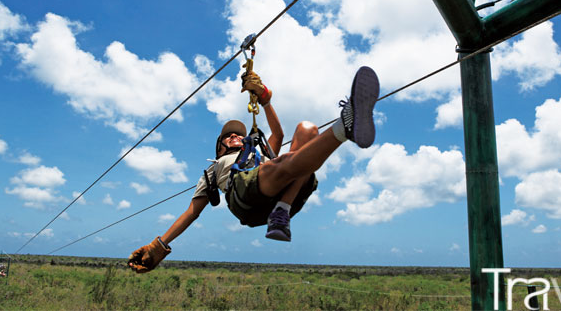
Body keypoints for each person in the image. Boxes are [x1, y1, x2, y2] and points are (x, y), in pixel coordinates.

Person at [128, 66, 379, 273]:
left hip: (281, 193)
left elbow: (278, 134)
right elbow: (192, 212)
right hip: (245, 198)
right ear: (220, 148)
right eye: (228, 137)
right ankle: (345, 127)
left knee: (307, 130)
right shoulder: (214, 170)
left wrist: (265, 98)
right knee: (279, 165)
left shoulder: (259, 153)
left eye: (238, 134)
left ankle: (282, 212)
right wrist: (159, 245)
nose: (235, 136)